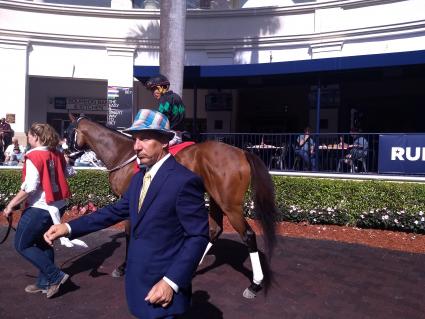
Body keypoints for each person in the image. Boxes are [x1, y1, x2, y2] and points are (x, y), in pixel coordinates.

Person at [44, 109, 209, 319]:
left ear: (165, 141)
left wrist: (171, 282)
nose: (137, 146)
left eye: (145, 139)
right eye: (135, 139)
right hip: (138, 285)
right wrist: (69, 227)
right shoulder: (140, 177)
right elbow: (117, 211)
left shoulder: (184, 181)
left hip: (164, 290)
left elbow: (198, 236)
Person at [2, 123, 73, 299]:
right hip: (57, 205)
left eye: (30, 135)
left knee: (22, 244)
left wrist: (11, 205)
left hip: (41, 208)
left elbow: (30, 187)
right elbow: (71, 173)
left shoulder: (34, 155)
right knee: (43, 242)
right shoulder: (56, 153)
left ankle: (55, 276)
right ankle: (44, 282)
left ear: (36, 137)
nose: (28, 138)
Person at [144, 74, 186, 146]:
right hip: (179, 135)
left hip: (170, 136)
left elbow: (161, 118)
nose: (153, 93)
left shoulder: (165, 99)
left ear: (161, 88)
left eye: (154, 89)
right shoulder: (175, 96)